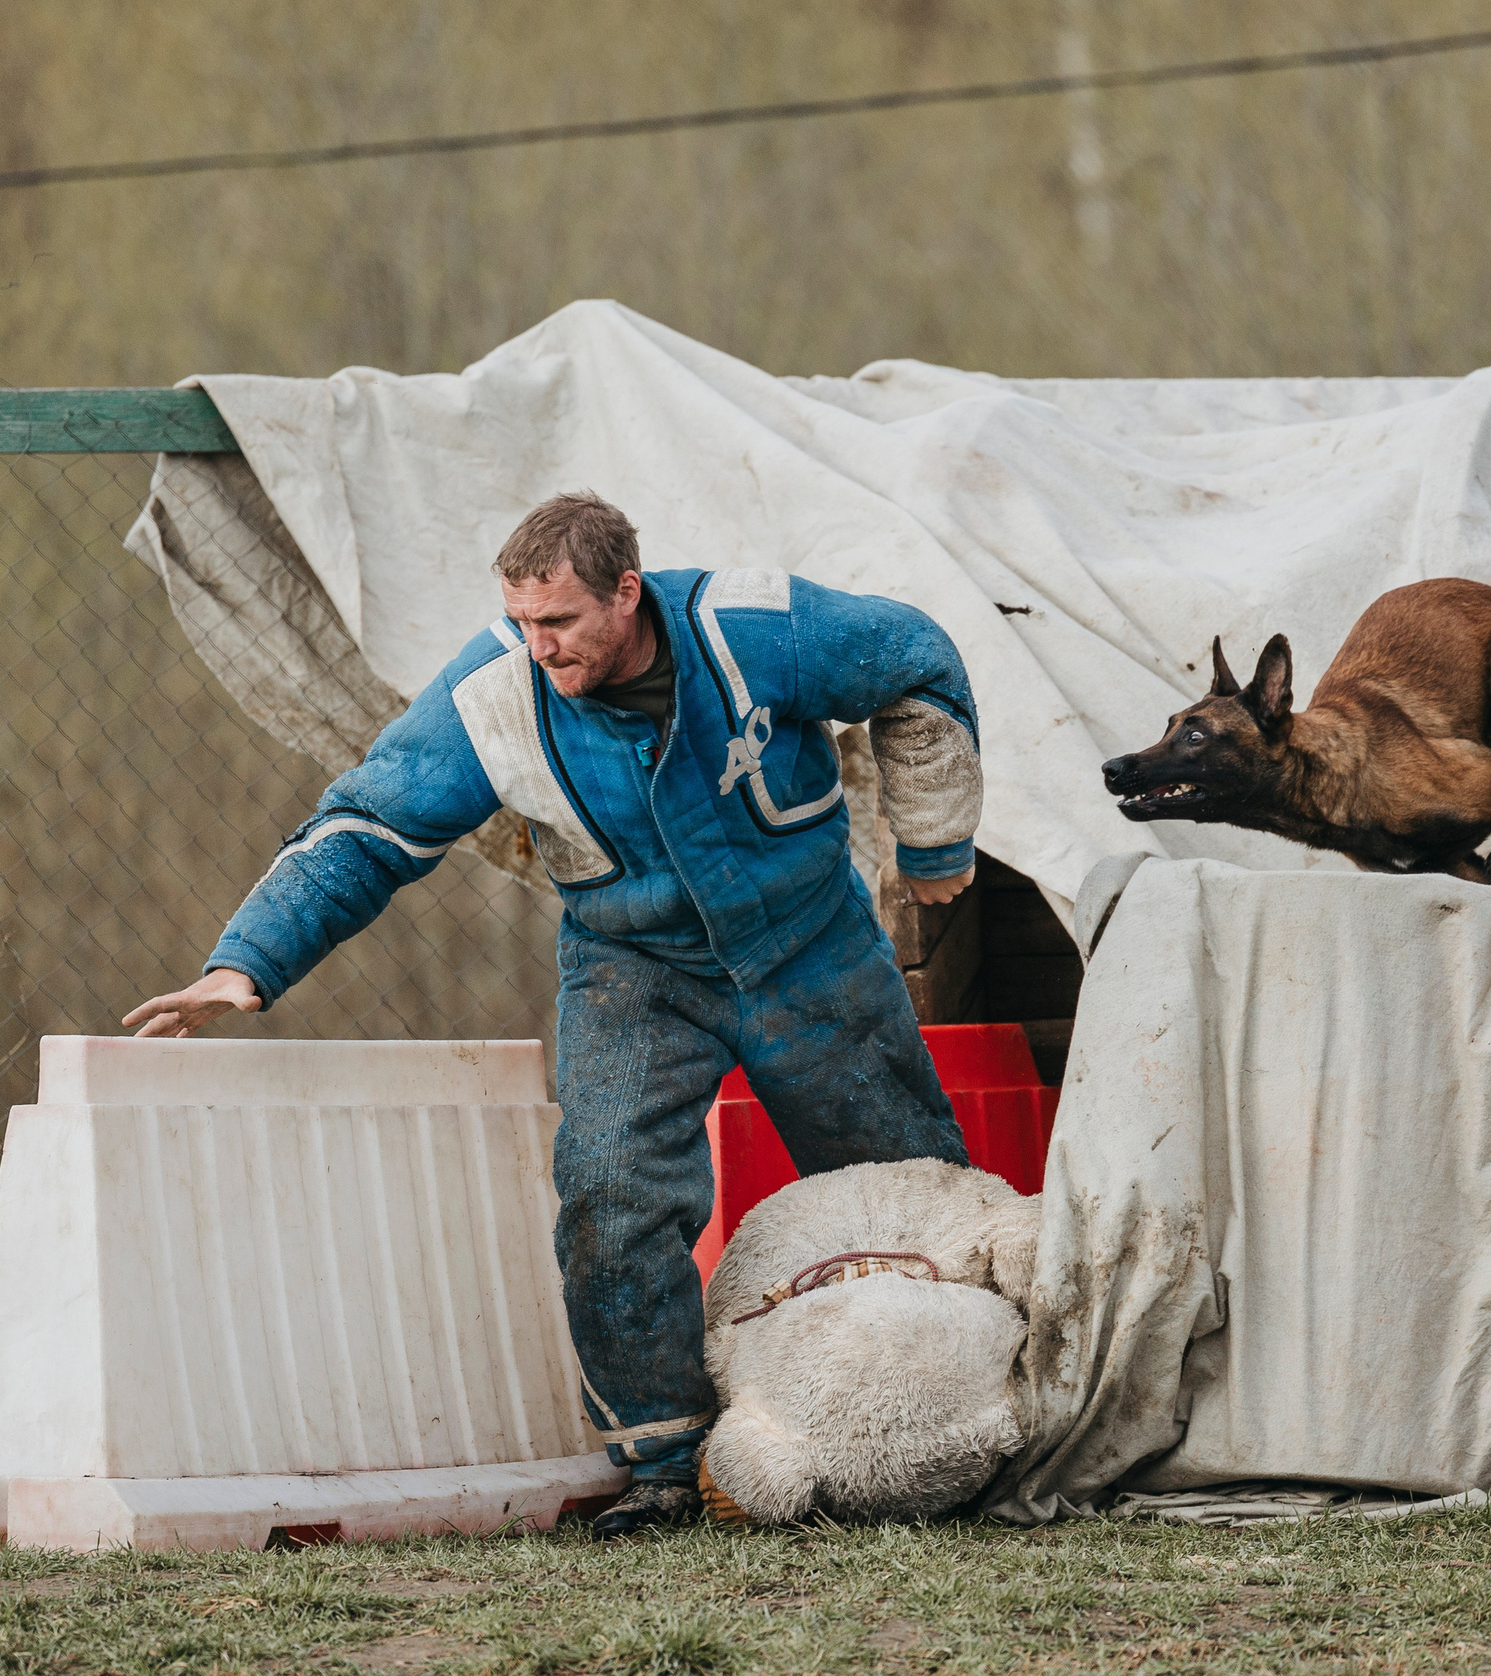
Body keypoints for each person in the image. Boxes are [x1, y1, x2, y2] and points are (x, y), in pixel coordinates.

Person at [123, 491, 982, 1536]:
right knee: (610, 1190)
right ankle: (668, 1468)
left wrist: (935, 841)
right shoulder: (491, 692)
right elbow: (368, 823)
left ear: (628, 592)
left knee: (905, 1189)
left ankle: (965, 1435)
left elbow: (916, 657)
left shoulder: (756, 629)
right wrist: (244, 964)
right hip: (635, 967)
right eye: (524, 622)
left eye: (561, 622)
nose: (540, 646)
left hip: (812, 947)